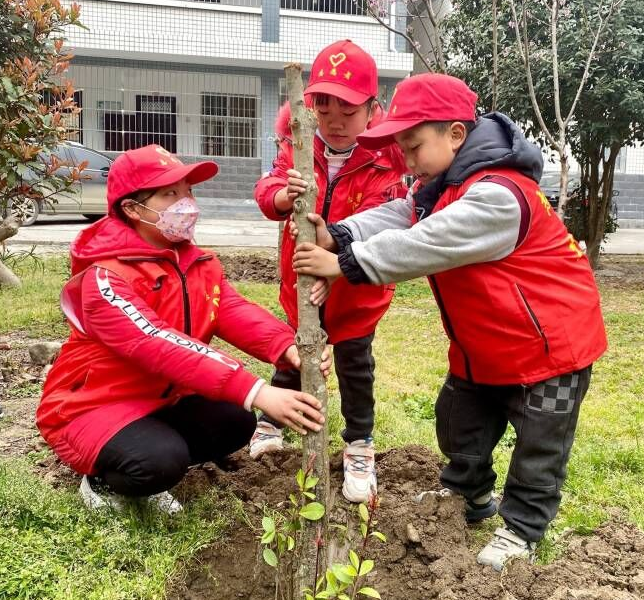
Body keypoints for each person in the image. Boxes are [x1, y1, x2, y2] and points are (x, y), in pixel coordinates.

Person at [291, 73, 608, 570]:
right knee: (459, 426)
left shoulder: (500, 194)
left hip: (550, 349)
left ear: (456, 134)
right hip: (482, 345)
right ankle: (465, 497)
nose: (408, 160)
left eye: (413, 146)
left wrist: (345, 262)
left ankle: (521, 528)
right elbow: (402, 214)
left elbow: (428, 241)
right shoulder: (440, 186)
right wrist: (340, 233)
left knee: (538, 448)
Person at [36, 144, 328, 514]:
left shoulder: (195, 262)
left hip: (161, 399)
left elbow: (231, 310)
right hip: (91, 407)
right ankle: (105, 481)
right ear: (132, 208)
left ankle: (150, 452)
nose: (186, 202)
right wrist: (255, 389)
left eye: (188, 190)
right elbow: (156, 342)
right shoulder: (103, 278)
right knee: (160, 460)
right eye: (169, 193)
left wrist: (288, 347)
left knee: (236, 421)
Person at [252, 39, 407, 503]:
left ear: (373, 109)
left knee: (355, 368)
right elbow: (268, 191)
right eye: (324, 110)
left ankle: (359, 445)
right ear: (308, 109)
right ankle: (269, 421)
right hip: (299, 284)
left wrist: (335, 266)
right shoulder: (298, 148)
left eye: (349, 110)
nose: (336, 122)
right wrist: (283, 196)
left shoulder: (386, 161)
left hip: (357, 292)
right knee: (293, 355)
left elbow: (381, 228)